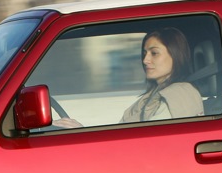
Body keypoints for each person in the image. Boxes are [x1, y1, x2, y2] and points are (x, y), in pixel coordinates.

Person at [55, 27, 204, 128]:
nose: (145, 60)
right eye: (144, 53)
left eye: (154, 53)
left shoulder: (180, 93)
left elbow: (148, 143)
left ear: (175, 55)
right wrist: (82, 131)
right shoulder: (153, 95)